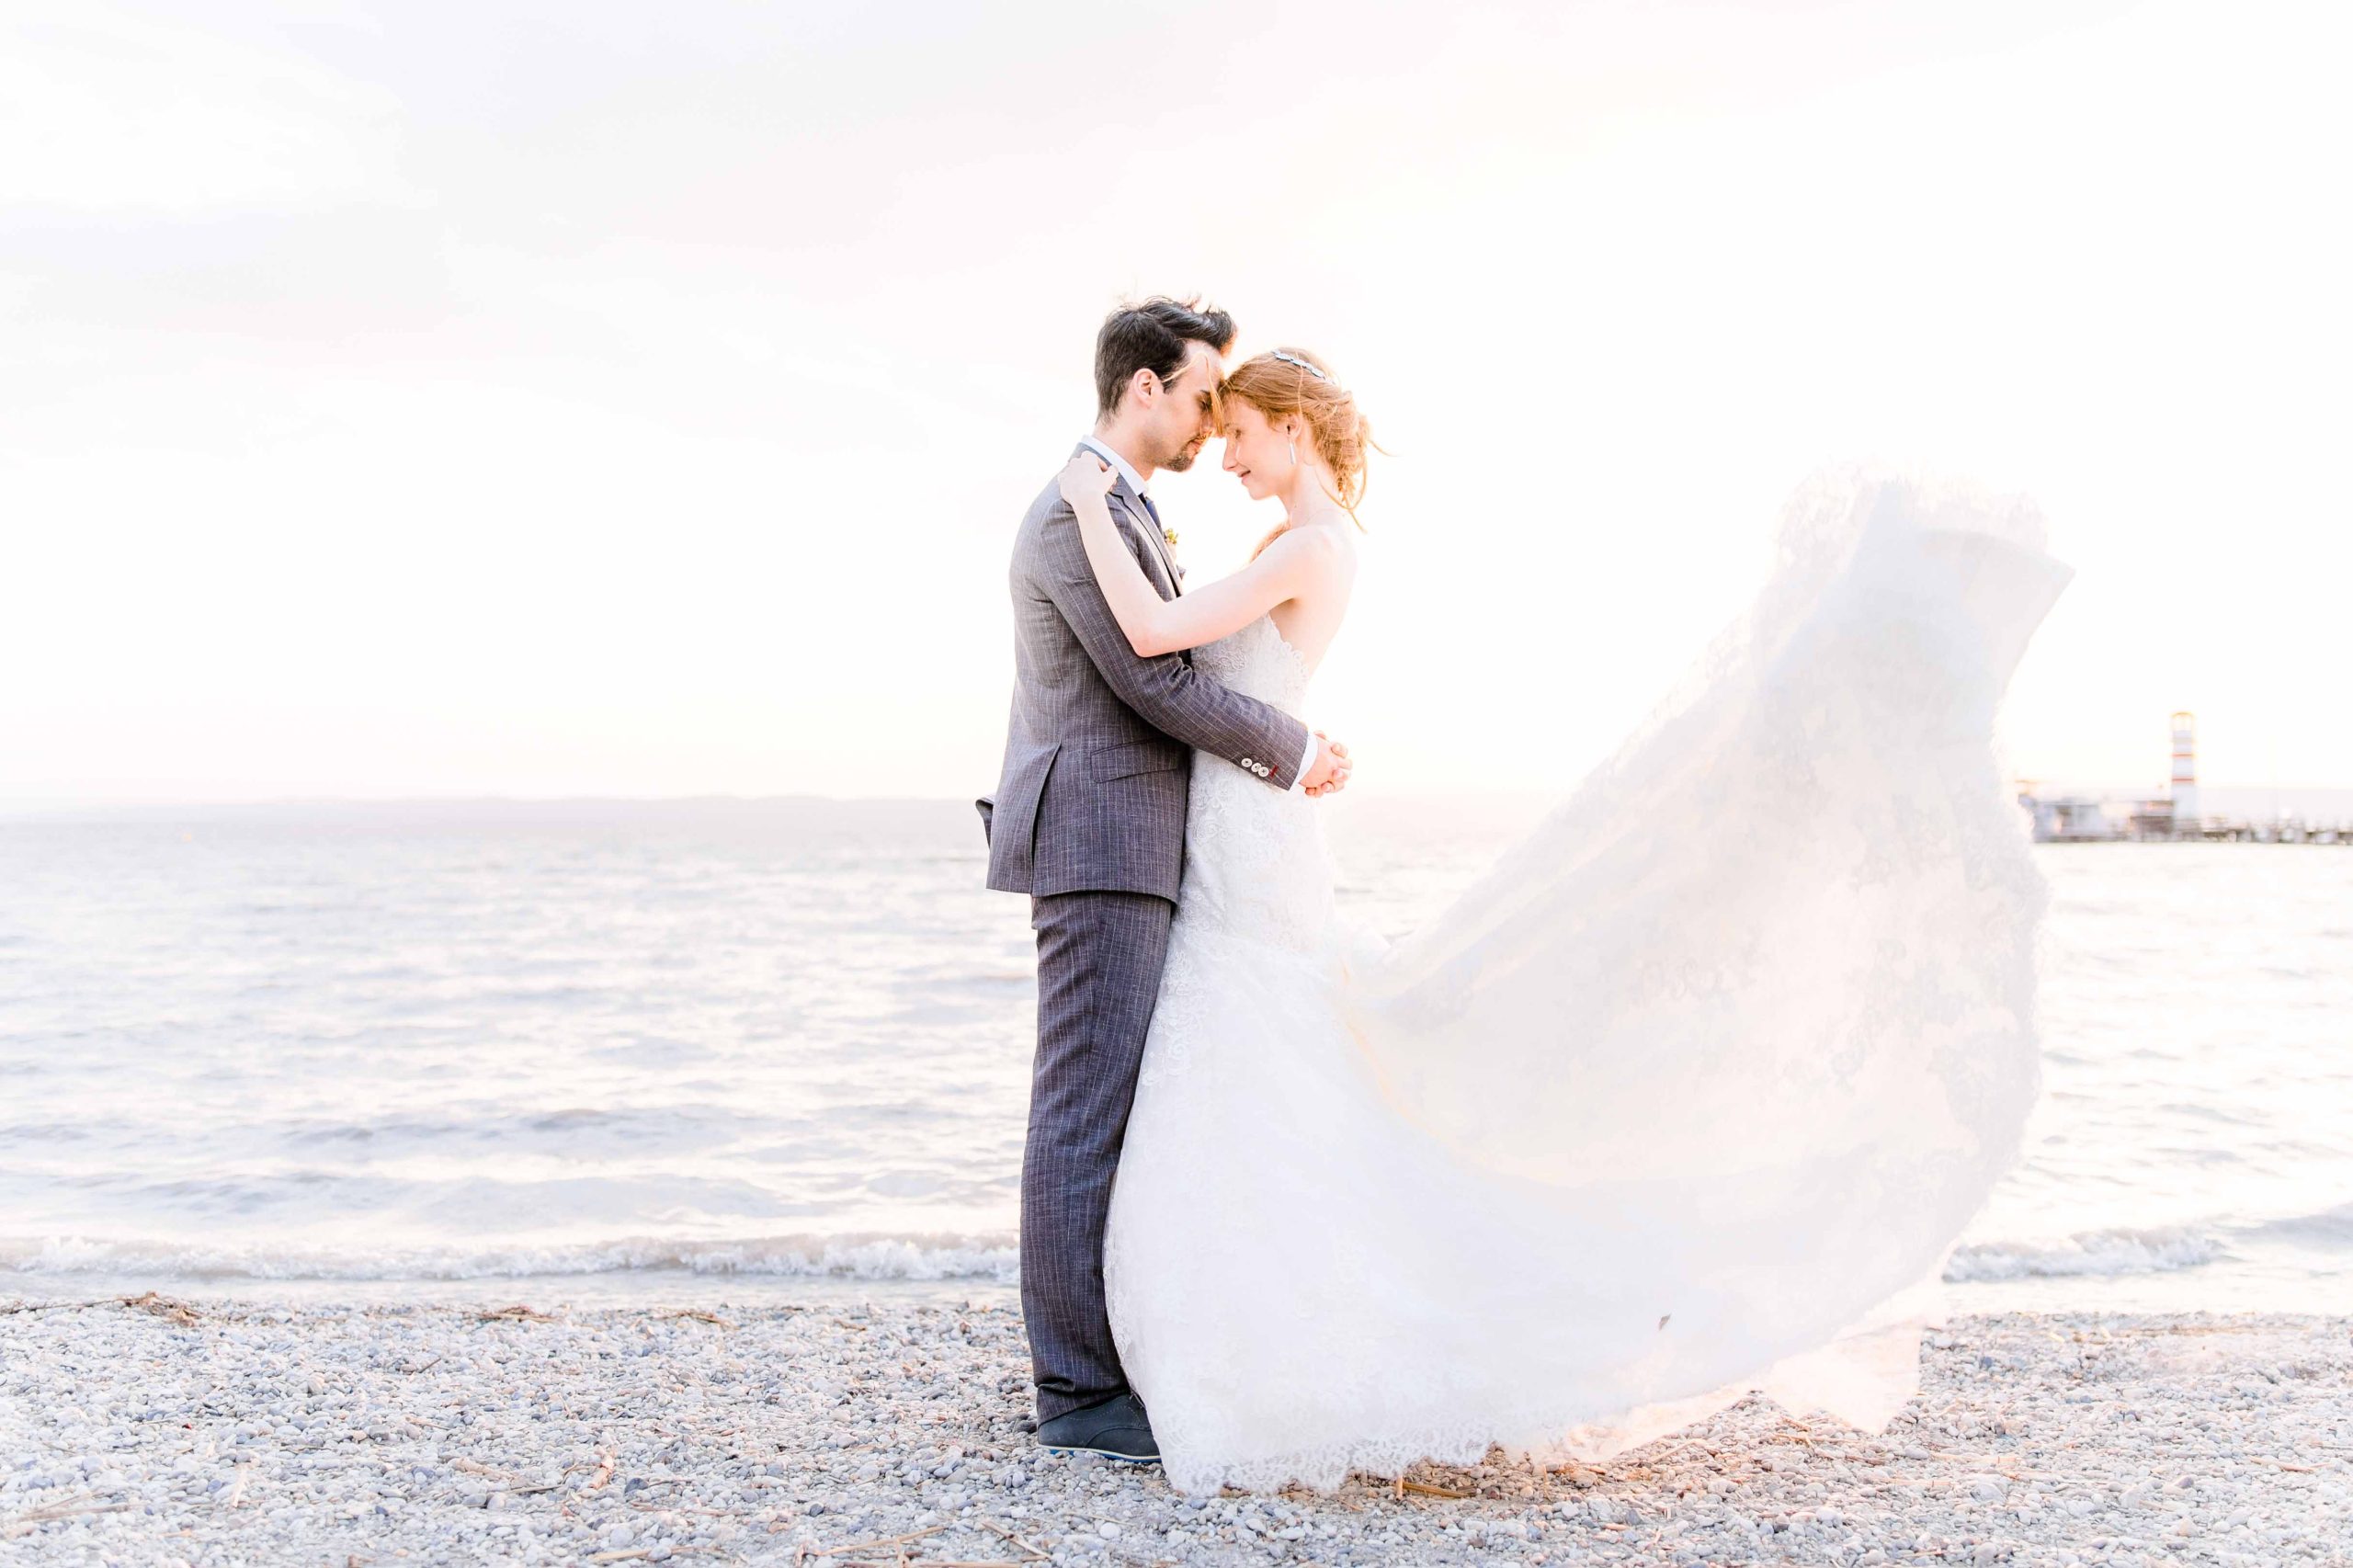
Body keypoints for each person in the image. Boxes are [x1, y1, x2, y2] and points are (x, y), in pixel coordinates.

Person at [1057, 341, 2075, 1495]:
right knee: (1254, 1053)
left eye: (1238, 432)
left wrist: (1092, 491)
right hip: (1252, 816)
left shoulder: (1307, 544)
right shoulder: (1296, 541)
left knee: (1255, 1050)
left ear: (1291, 428)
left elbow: (1153, 635)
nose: (1224, 454)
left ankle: (1274, 1340)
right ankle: (1221, 1325)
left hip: (1254, 826)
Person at [978, 298, 1356, 1463]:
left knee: (1126, 1109)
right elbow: (1157, 683)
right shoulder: (1071, 511)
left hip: (1146, 844)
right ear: (1144, 387)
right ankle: (1079, 1390)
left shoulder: (1121, 507)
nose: (1208, 426)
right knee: (1081, 1110)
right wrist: (1293, 748)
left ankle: (1123, 1357)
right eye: (1200, 397)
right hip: (1099, 841)